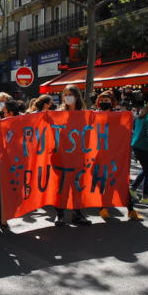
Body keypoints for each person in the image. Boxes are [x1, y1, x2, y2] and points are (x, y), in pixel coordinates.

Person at [94, 91, 143, 221]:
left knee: (121, 182)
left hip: (115, 155)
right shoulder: (93, 115)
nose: (104, 102)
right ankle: (102, 208)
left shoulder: (119, 115)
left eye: (107, 100)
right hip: (99, 155)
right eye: (102, 100)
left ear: (112, 101)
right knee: (102, 183)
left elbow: (125, 131)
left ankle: (131, 210)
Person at [55, 85, 91, 227]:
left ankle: (78, 214)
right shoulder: (58, 114)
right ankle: (60, 214)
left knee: (78, 187)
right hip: (61, 158)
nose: (67, 97)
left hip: (79, 158)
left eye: (70, 94)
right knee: (61, 187)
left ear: (77, 97)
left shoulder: (85, 115)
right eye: (65, 94)